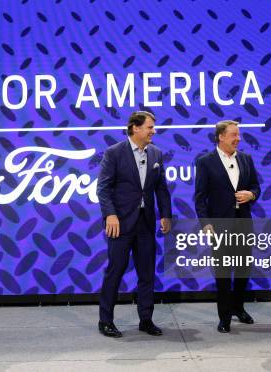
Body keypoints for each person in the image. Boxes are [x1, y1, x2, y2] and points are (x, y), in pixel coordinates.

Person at [96, 111, 172, 338]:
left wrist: (165, 215)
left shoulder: (156, 153)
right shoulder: (114, 153)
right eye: (149, 127)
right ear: (135, 128)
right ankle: (105, 321)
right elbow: (103, 188)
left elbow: (161, 188)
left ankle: (146, 319)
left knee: (147, 273)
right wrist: (110, 215)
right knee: (115, 271)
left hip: (145, 223)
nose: (153, 131)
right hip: (119, 223)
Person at [194, 120, 261, 333]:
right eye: (233, 135)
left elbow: (256, 186)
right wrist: (206, 224)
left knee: (243, 270)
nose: (238, 139)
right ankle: (224, 317)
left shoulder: (246, 159)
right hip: (219, 227)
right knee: (222, 273)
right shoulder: (205, 162)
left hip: (243, 223)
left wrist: (251, 195)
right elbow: (199, 197)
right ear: (221, 137)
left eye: (238, 135)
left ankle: (238, 308)